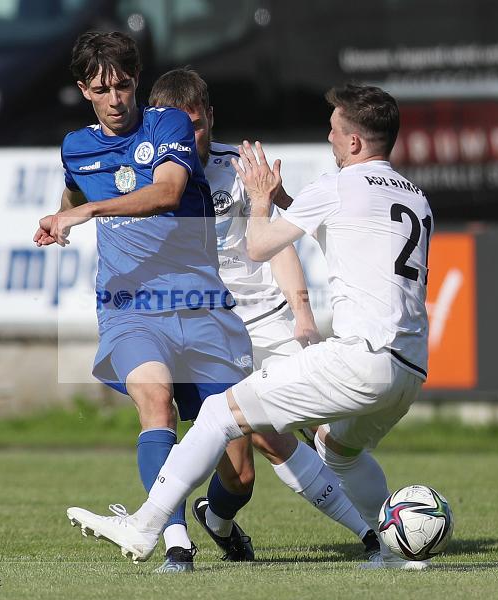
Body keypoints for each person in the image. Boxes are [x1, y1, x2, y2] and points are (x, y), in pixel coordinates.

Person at [66, 84, 435, 570]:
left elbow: (261, 244)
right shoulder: (415, 197)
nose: (328, 137)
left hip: (356, 355)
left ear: (353, 144)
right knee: (336, 451)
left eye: (334, 130)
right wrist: (281, 196)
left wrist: (261, 200)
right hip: (409, 367)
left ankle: (144, 526)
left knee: (220, 413)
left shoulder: (335, 184)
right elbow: (340, 222)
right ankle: (393, 549)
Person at [35, 32, 258, 573]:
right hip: (128, 306)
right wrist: (60, 216)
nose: (116, 99)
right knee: (155, 404)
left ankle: (217, 517)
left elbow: (167, 192)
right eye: (102, 89)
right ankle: (175, 540)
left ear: (137, 82)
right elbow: (74, 188)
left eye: (124, 85)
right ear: (84, 90)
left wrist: (84, 214)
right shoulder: (76, 145)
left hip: (196, 303)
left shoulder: (168, 125)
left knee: (242, 471)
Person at [147, 68, 378, 556]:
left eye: (197, 124)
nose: (189, 137)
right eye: (177, 127)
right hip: (210, 332)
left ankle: (380, 531)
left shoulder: (239, 168)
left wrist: (303, 316)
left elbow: (276, 244)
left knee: (325, 429)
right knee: (247, 470)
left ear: (211, 117)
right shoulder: (152, 178)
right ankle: (219, 522)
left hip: (269, 319)